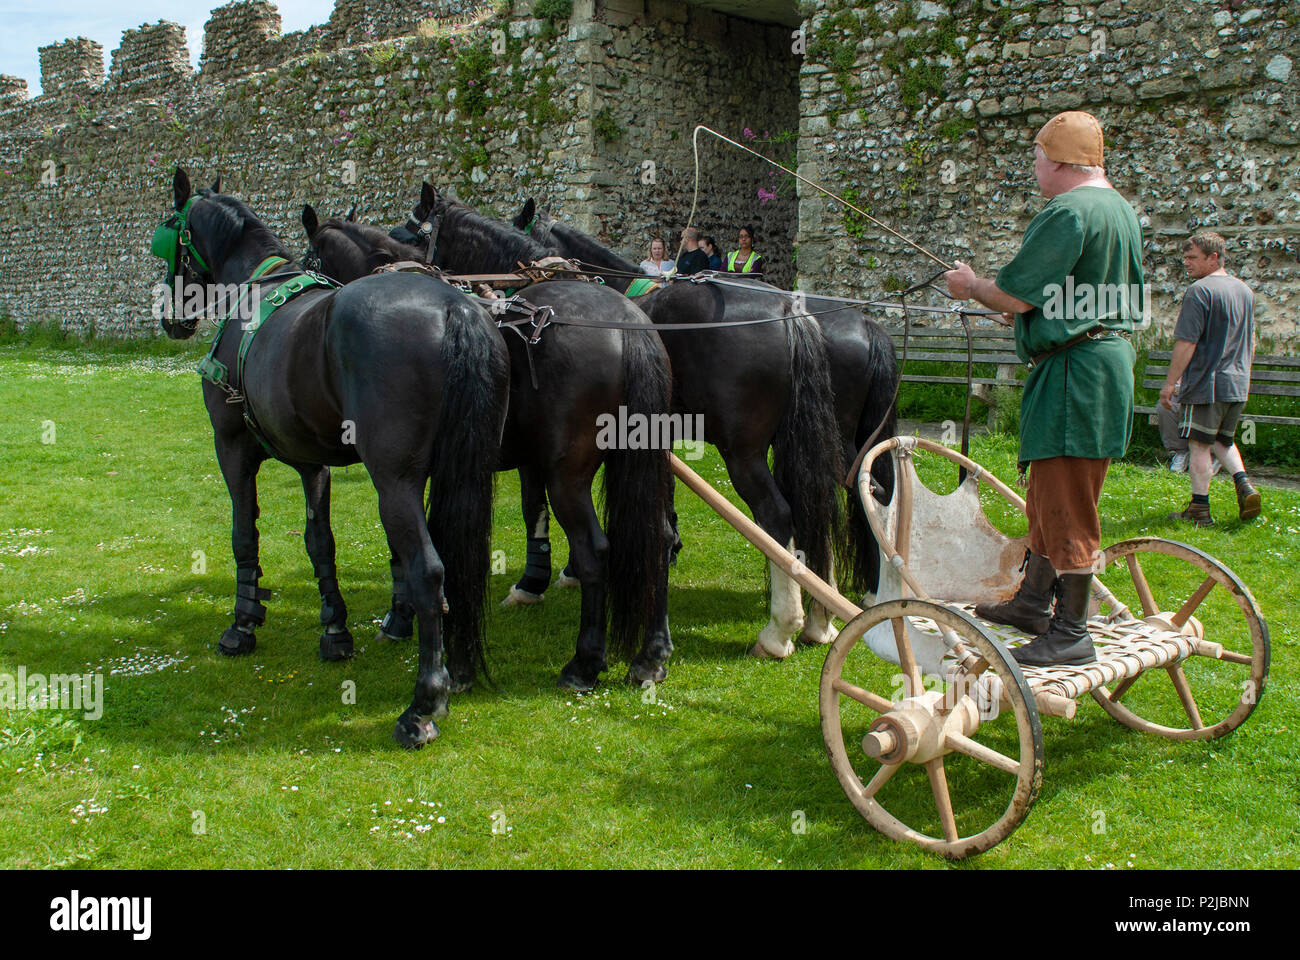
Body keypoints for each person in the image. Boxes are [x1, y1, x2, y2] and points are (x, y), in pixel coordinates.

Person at [944, 110, 1142, 668]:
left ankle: (1071, 632)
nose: (1033, 167)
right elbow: (1076, 297)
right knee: (1049, 494)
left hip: (1076, 371)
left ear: (1059, 160)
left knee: (1066, 499)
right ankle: (1033, 602)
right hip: (1096, 359)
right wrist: (1039, 319)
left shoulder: (1070, 210)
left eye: (1036, 155)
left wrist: (971, 286)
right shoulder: (1119, 209)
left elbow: (1015, 294)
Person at [1160, 232, 1260, 525]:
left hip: (1207, 383)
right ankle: (1244, 484)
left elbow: (1186, 343)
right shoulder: (1245, 291)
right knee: (1222, 440)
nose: (1186, 263)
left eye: (1193, 257)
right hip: (1238, 383)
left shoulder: (1200, 291)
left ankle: (1199, 510)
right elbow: (1251, 340)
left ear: (1213, 257)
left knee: (1199, 444)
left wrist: (1170, 384)